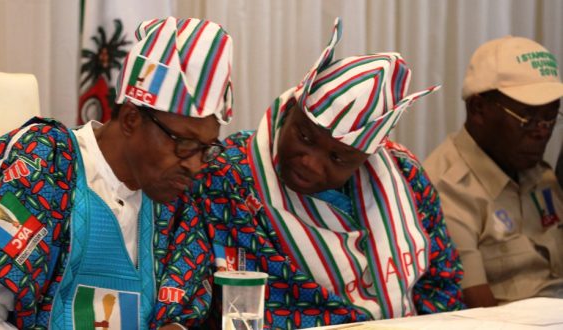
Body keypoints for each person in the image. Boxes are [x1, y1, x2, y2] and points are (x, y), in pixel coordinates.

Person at [0, 17, 233, 329]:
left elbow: (184, 308)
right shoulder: (43, 169)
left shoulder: (176, 200)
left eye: (206, 147)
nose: (195, 163)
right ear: (132, 119)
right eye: (184, 143)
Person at [194, 18, 464, 329]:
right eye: (305, 136)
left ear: (366, 158)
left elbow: (442, 282)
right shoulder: (231, 176)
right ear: (291, 109)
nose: (310, 162)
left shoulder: (406, 176)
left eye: (337, 157)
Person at [424, 36, 563, 307]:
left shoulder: (539, 174)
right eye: (528, 118)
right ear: (478, 109)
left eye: (550, 118)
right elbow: (480, 314)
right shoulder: (445, 190)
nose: (542, 132)